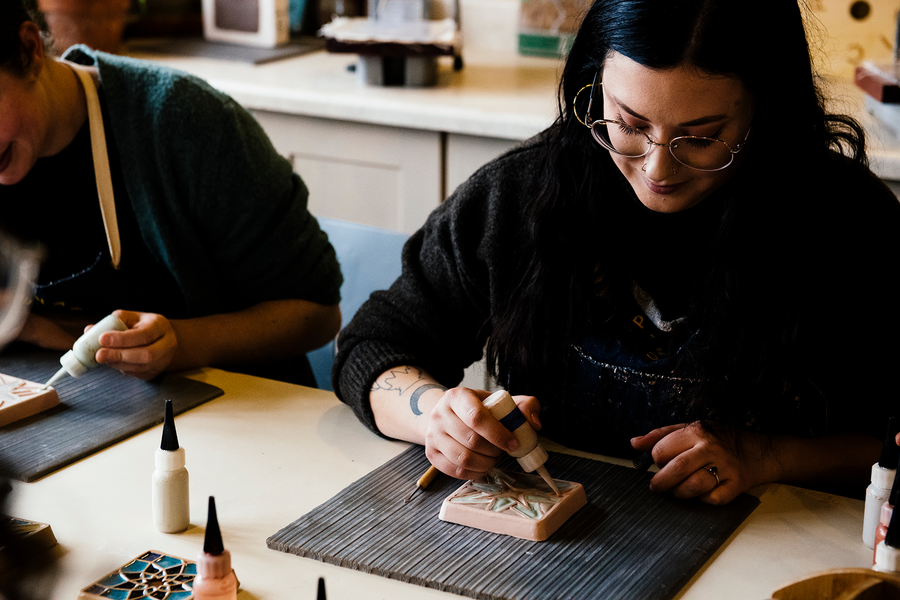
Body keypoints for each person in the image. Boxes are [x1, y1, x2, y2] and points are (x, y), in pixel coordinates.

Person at [333, 0, 900, 505]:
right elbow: (374, 344)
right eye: (629, 124)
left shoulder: (849, 226)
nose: (657, 169)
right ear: (592, 84)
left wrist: (769, 457)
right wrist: (436, 416)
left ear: (764, 111)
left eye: (700, 137)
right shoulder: (522, 197)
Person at [0, 0, 342, 385]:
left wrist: (183, 342)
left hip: (229, 410)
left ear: (30, 52)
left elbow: (318, 313)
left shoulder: (183, 123)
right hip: (63, 400)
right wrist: (24, 323)